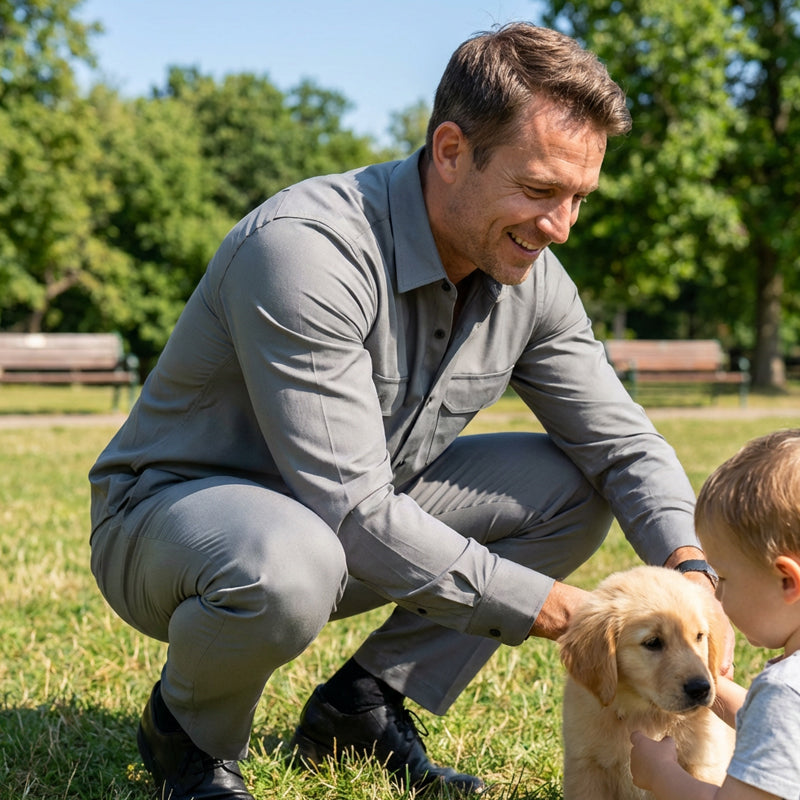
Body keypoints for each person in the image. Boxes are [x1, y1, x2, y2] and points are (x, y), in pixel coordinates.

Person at [88, 22, 722, 800]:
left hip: (344, 523)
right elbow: (351, 512)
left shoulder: (530, 271)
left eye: (578, 198)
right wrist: (560, 611)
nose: (559, 227)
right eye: (538, 190)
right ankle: (188, 736)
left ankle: (363, 703)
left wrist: (693, 575)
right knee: (289, 563)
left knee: (574, 484)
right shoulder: (307, 250)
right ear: (451, 151)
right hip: (176, 526)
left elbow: (621, 446)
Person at [630, 429, 800, 800]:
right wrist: (711, 684)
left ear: (787, 581)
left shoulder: (784, 692)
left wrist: (661, 775)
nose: (716, 594)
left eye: (723, 577)